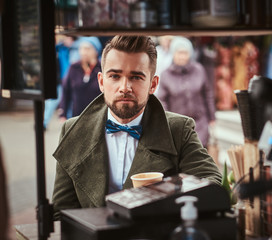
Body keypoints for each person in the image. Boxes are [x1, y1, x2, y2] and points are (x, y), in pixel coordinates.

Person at [51, 35, 222, 220]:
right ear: (101, 81)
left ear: (153, 84)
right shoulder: (73, 130)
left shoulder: (178, 129)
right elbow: (62, 213)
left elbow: (211, 182)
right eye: (115, 76)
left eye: (136, 77)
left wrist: (162, 193)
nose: (125, 87)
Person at [157, 37, 216, 148]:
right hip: (178, 125)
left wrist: (212, 117)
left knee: (199, 155)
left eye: (185, 53)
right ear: (173, 54)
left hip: (200, 124)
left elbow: (208, 94)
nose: (182, 57)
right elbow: (162, 100)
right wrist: (167, 122)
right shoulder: (166, 75)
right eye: (179, 53)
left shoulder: (199, 70)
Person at [59, 36, 102, 120]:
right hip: (77, 116)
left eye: (87, 49)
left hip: (98, 117)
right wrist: (63, 113)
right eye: (81, 48)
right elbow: (65, 90)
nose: (83, 52)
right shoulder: (74, 67)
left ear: (96, 51)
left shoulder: (102, 68)